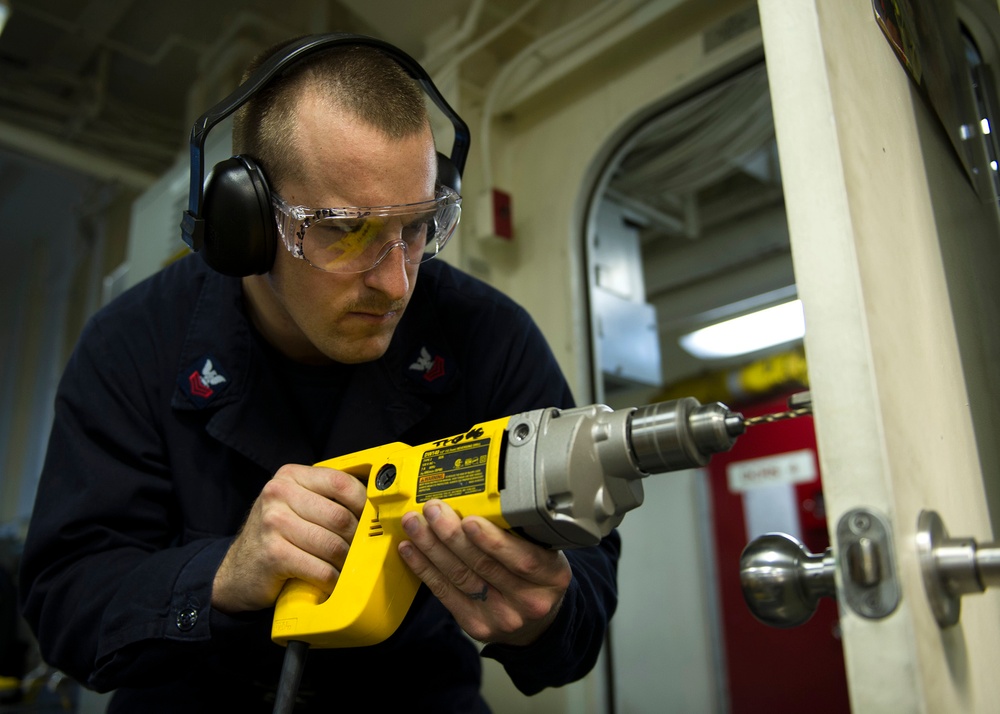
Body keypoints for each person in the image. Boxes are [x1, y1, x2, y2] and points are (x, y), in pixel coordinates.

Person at [18, 36, 620, 712]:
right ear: (248, 220)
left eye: (419, 226)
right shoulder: (133, 343)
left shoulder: (490, 337)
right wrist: (224, 574)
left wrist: (547, 612)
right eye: (347, 231)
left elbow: (588, 588)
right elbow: (65, 604)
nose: (396, 283)